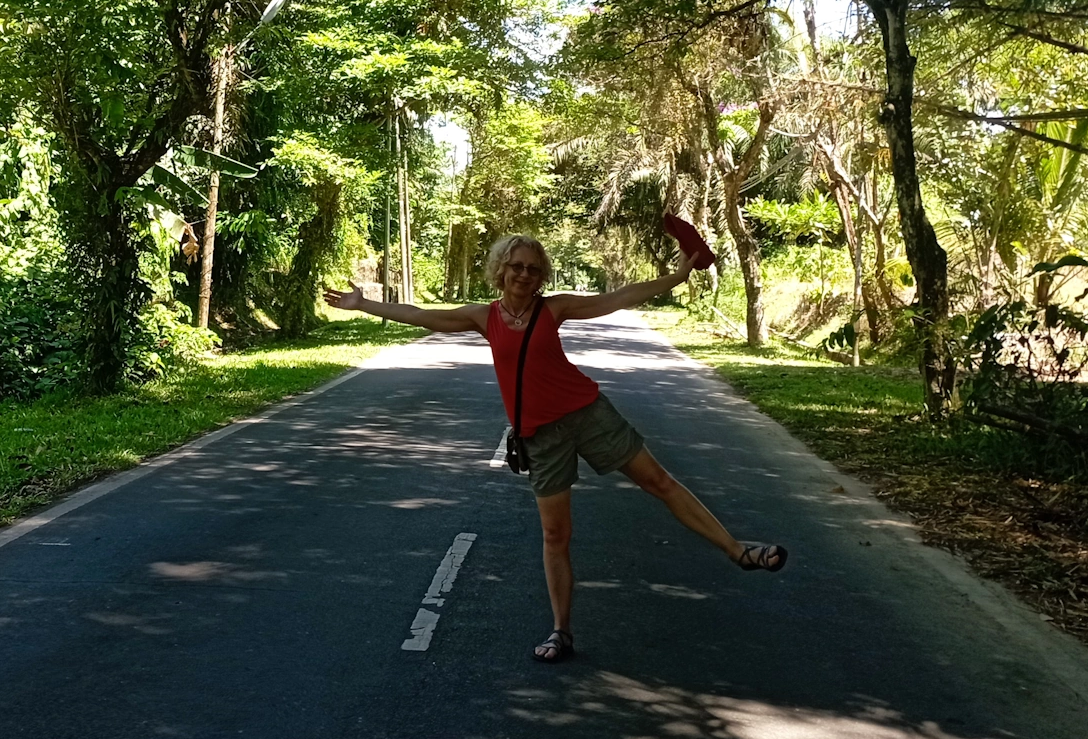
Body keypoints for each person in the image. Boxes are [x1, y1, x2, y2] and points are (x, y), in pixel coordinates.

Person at [324, 233, 786, 663]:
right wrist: (363, 304)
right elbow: (423, 316)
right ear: (501, 270)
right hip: (539, 436)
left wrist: (678, 275)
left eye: (533, 269)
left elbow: (618, 298)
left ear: (541, 275)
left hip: (588, 413)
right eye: (516, 267)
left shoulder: (554, 309)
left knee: (659, 482)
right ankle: (561, 632)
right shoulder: (484, 317)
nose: (524, 275)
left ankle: (737, 550)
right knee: (555, 536)